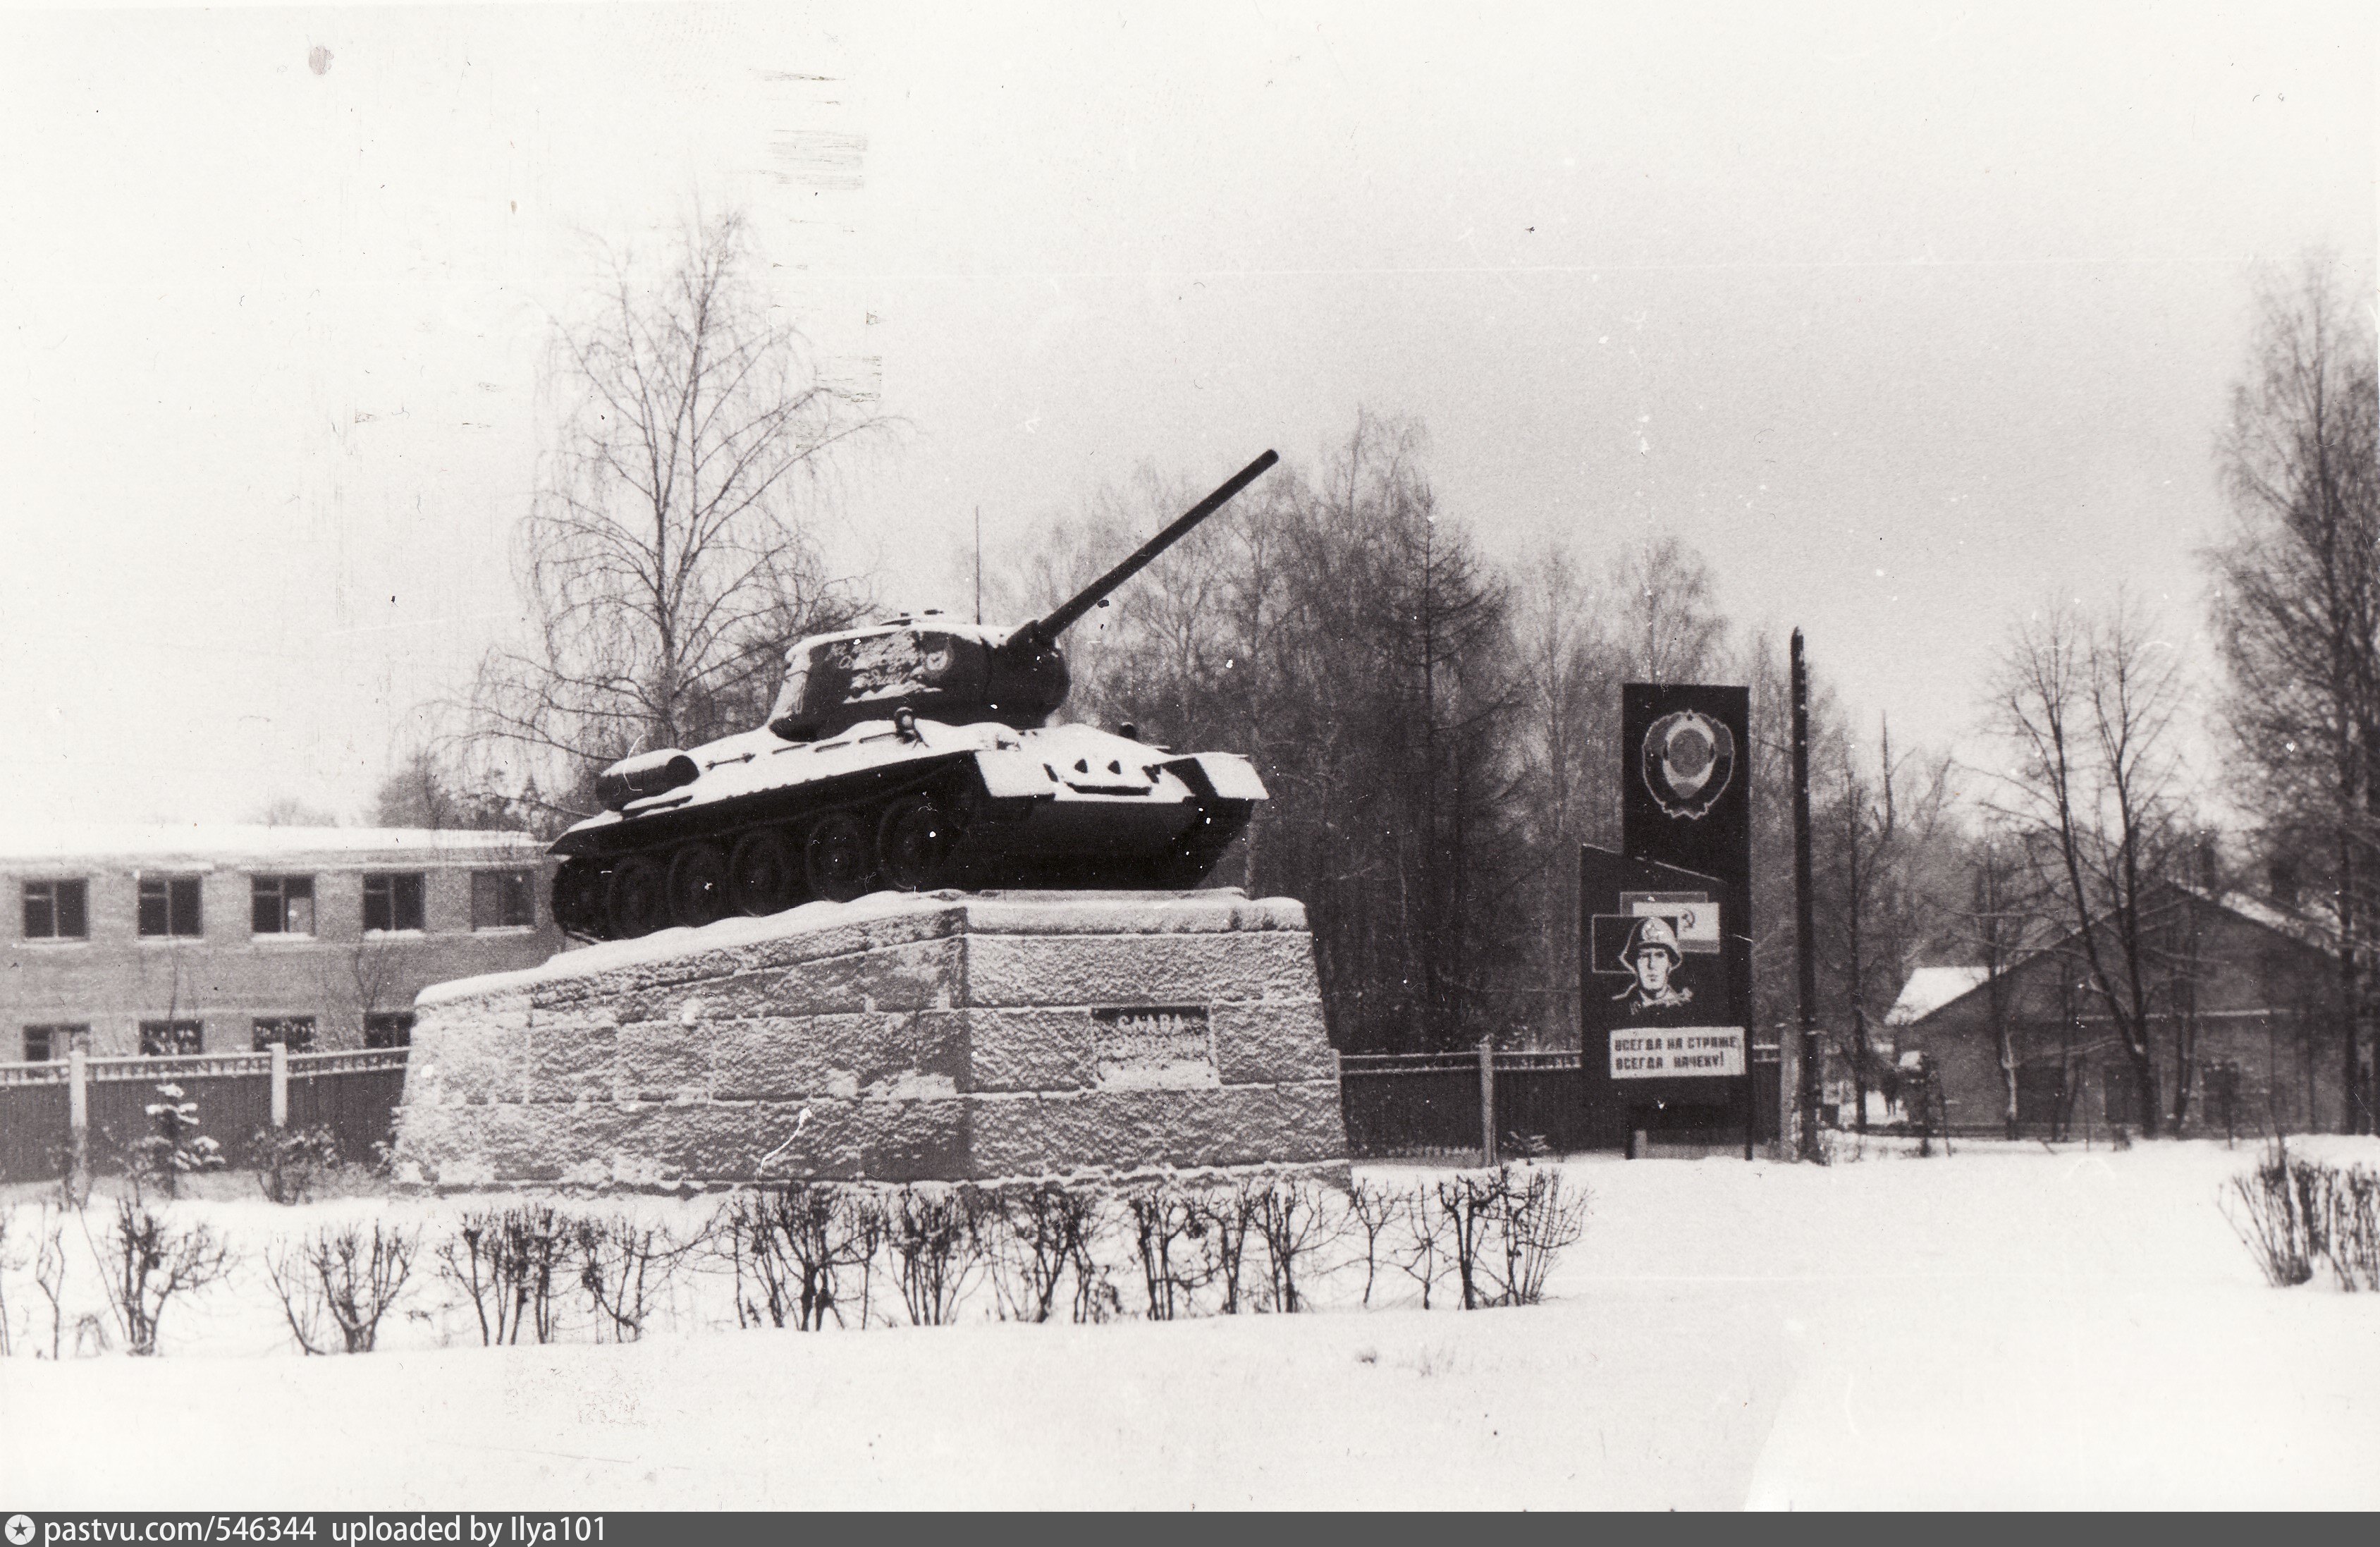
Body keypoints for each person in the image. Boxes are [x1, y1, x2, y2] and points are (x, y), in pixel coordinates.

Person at [1614, 914, 1693, 1014]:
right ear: (1634, 964)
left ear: (1670, 963)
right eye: (1644, 956)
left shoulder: (1689, 1009)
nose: (1651, 965)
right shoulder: (1617, 1009)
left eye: (1660, 956)